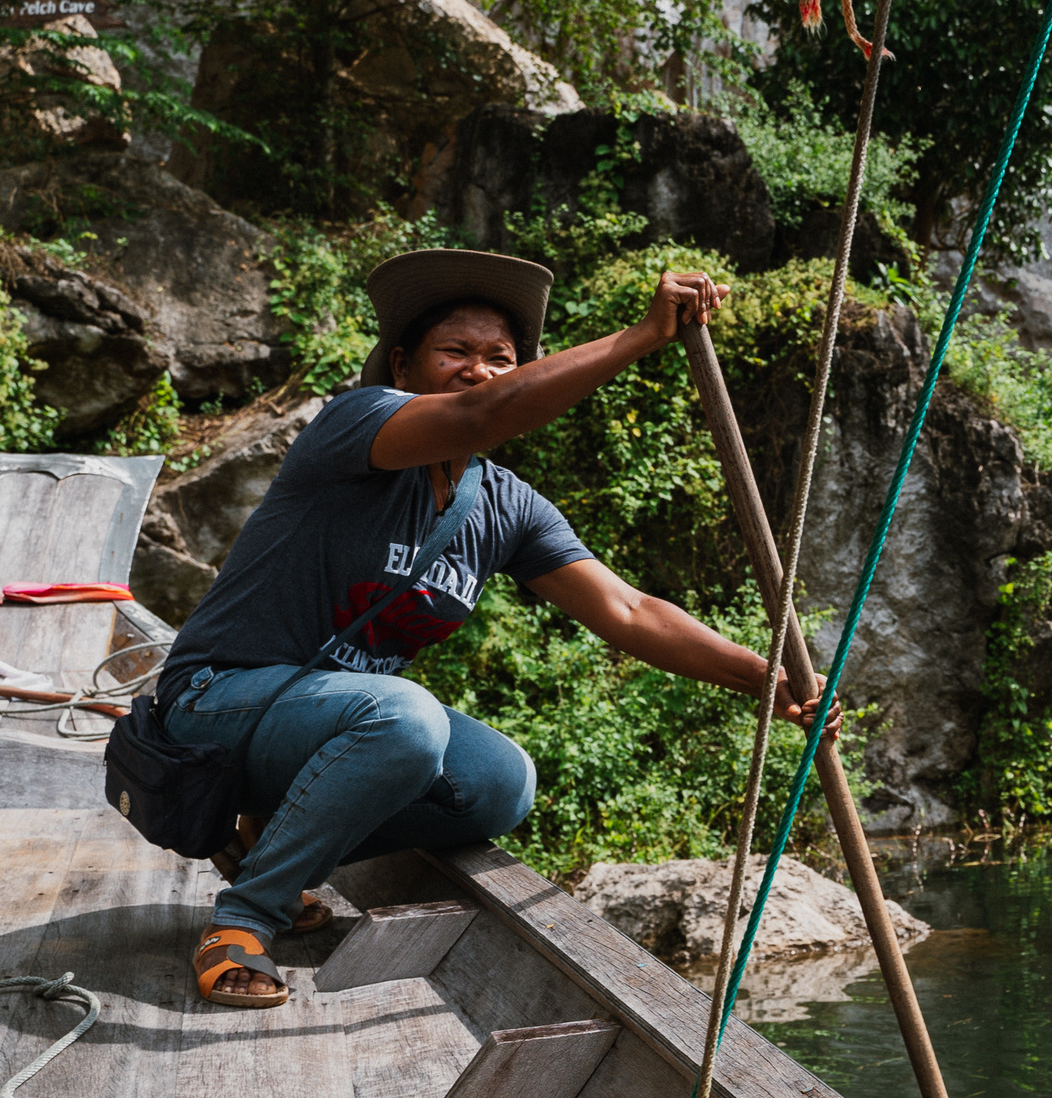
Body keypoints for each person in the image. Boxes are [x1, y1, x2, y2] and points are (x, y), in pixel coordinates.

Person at [151, 248, 830, 1007]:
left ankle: (263, 838)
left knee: (498, 784)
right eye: (457, 352)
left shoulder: (502, 505)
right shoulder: (357, 425)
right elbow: (483, 414)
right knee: (407, 718)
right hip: (214, 703)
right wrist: (641, 336)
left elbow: (629, 609)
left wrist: (765, 680)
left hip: (323, 726)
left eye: (501, 360)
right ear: (404, 364)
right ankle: (247, 917)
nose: (480, 372)